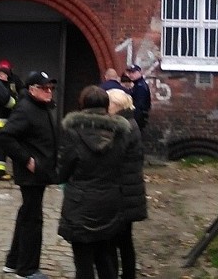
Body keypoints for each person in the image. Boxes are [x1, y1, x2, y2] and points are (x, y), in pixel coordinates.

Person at [57, 85, 133, 279]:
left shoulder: (73, 133)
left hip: (80, 204)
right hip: (111, 203)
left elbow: (63, 172)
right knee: (106, 258)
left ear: (82, 104)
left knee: (83, 263)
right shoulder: (121, 133)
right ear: (106, 105)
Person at [0, 71, 60, 279]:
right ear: (32, 89)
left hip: (41, 172)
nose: (49, 91)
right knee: (33, 220)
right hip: (32, 174)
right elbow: (6, 137)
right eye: (44, 88)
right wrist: (27, 161)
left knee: (27, 214)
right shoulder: (25, 109)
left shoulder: (40, 107)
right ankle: (27, 270)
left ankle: (13, 261)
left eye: (51, 88)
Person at [106, 88, 148, 279]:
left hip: (123, 191)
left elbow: (115, 156)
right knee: (124, 240)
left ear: (117, 106)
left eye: (108, 104)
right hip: (129, 190)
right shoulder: (130, 123)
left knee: (117, 240)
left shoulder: (123, 127)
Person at [125, 65, 151, 134]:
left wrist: (134, 121)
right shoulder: (137, 85)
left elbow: (139, 105)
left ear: (140, 72)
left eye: (133, 72)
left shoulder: (140, 86)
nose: (131, 75)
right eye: (130, 72)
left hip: (138, 118)